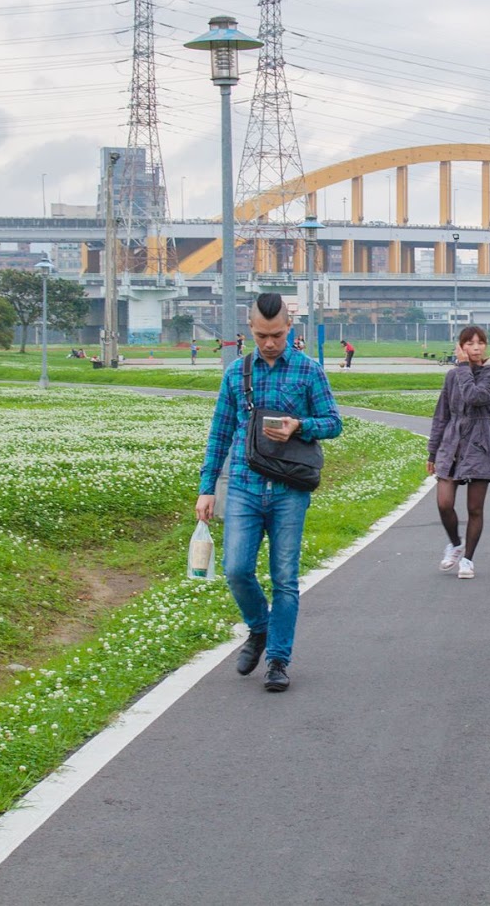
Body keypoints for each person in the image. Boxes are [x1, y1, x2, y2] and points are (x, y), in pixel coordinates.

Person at [196, 293, 343, 694]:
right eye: (262, 335)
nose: (270, 343)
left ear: (290, 328)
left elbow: (334, 422)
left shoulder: (309, 370)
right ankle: (259, 628)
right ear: (250, 330)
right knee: (236, 569)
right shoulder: (236, 373)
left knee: (284, 578)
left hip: (289, 489)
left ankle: (278, 660)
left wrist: (300, 426)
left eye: (277, 335)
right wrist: (206, 489)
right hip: (244, 485)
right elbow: (219, 433)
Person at [428, 326, 490, 579]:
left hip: (480, 443)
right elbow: (441, 415)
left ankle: (468, 560)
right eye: (470, 343)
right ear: (460, 346)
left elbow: (474, 397)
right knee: (444, 502)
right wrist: (432, 452)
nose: (476, 347)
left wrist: (461, 367)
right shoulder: (452, 376)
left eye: (480, 342)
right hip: (452, 443)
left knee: (475, 509)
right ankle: (455, 544)